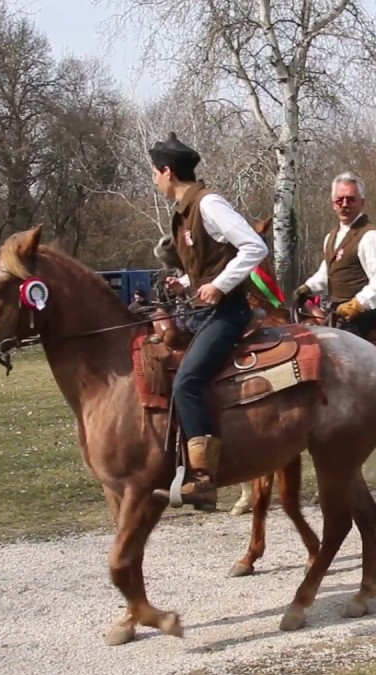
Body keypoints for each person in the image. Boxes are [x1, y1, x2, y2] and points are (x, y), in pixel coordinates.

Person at [150, 132, 268, 511]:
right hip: (205, 312)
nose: (154, 180)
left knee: (188, 382)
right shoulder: (186, 211)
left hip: (227, 313)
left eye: (155, 173)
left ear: (168, 172)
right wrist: (184, 282)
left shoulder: (209, 204)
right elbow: (210, 263)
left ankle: (203, 480)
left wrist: (218, 286)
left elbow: (255, 246)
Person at [294, 172, 376, 338]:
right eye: (339, 200)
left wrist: (357, 304)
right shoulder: (331, 237)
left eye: (350, 199)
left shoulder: (371, 237)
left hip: (362, 316)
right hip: (336, 312)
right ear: (333, 204)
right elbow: (327, 273)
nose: (344, 204)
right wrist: (308, 288)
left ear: (362, 203)